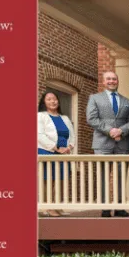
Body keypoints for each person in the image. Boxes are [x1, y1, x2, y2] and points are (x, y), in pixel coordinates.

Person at [86, 70, 129, 218]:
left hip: (123, 143)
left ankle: (119, 207)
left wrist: (121, 130)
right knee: (103, 176)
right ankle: (105, 207)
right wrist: (110, 130)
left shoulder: (127, 101)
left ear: (117, 81)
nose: (112, 81)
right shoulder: (95, 98)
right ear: (103, 81)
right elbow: (91, 119)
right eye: (108, 79)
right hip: (102, 143)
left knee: (121, 176)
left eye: (114, 79)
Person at [38, 89, 75, 217]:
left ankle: (57, 205)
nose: (53, 101)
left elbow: (72, 135)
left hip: (64, 153)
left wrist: (69, 147)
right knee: (48, 180)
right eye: (49, 99)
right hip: (47, 152)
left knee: (61, 180)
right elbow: (40, 135)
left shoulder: (64, 118)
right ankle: (47, 207)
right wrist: (56, 148)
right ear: (44, 102)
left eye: (54, 99)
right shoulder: (40, 116)